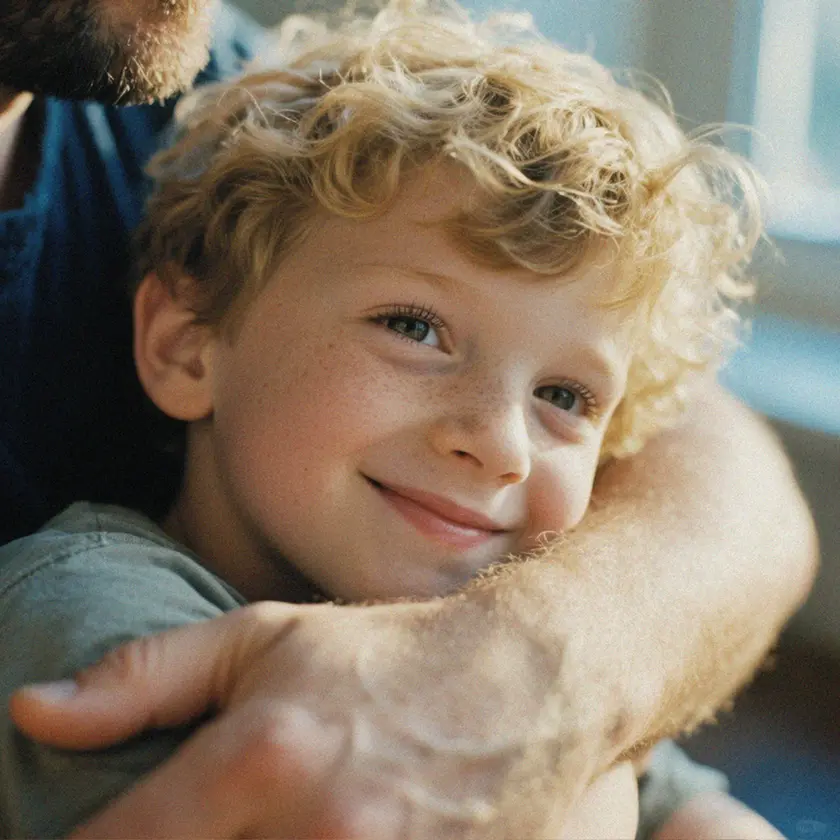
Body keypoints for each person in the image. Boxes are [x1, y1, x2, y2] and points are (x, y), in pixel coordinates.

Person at [0, 0, 816, 838]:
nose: (501, 444)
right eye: (414, 328)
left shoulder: (468, 625)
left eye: (565, 397)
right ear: (187, 348)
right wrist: (586, 761)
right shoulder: (86, 616)